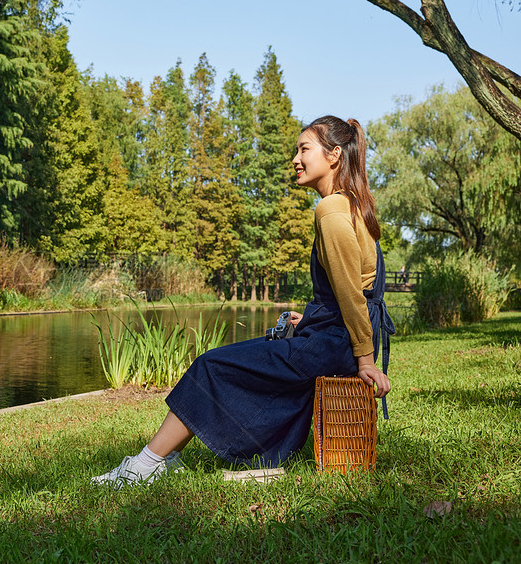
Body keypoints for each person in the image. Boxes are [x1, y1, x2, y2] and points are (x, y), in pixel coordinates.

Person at [92, 115, 395, 489]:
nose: (295, 160)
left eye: (304, 149)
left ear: (334, 155)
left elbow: (351, 294)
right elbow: (355, 288)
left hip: (336, 346)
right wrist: (312, 319)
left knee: (211, 365)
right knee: (247, 360)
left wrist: (365, 362)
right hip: (333, 338)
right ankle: (165, 457)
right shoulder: (353, 204)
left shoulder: (330, 209)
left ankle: (145, 465)